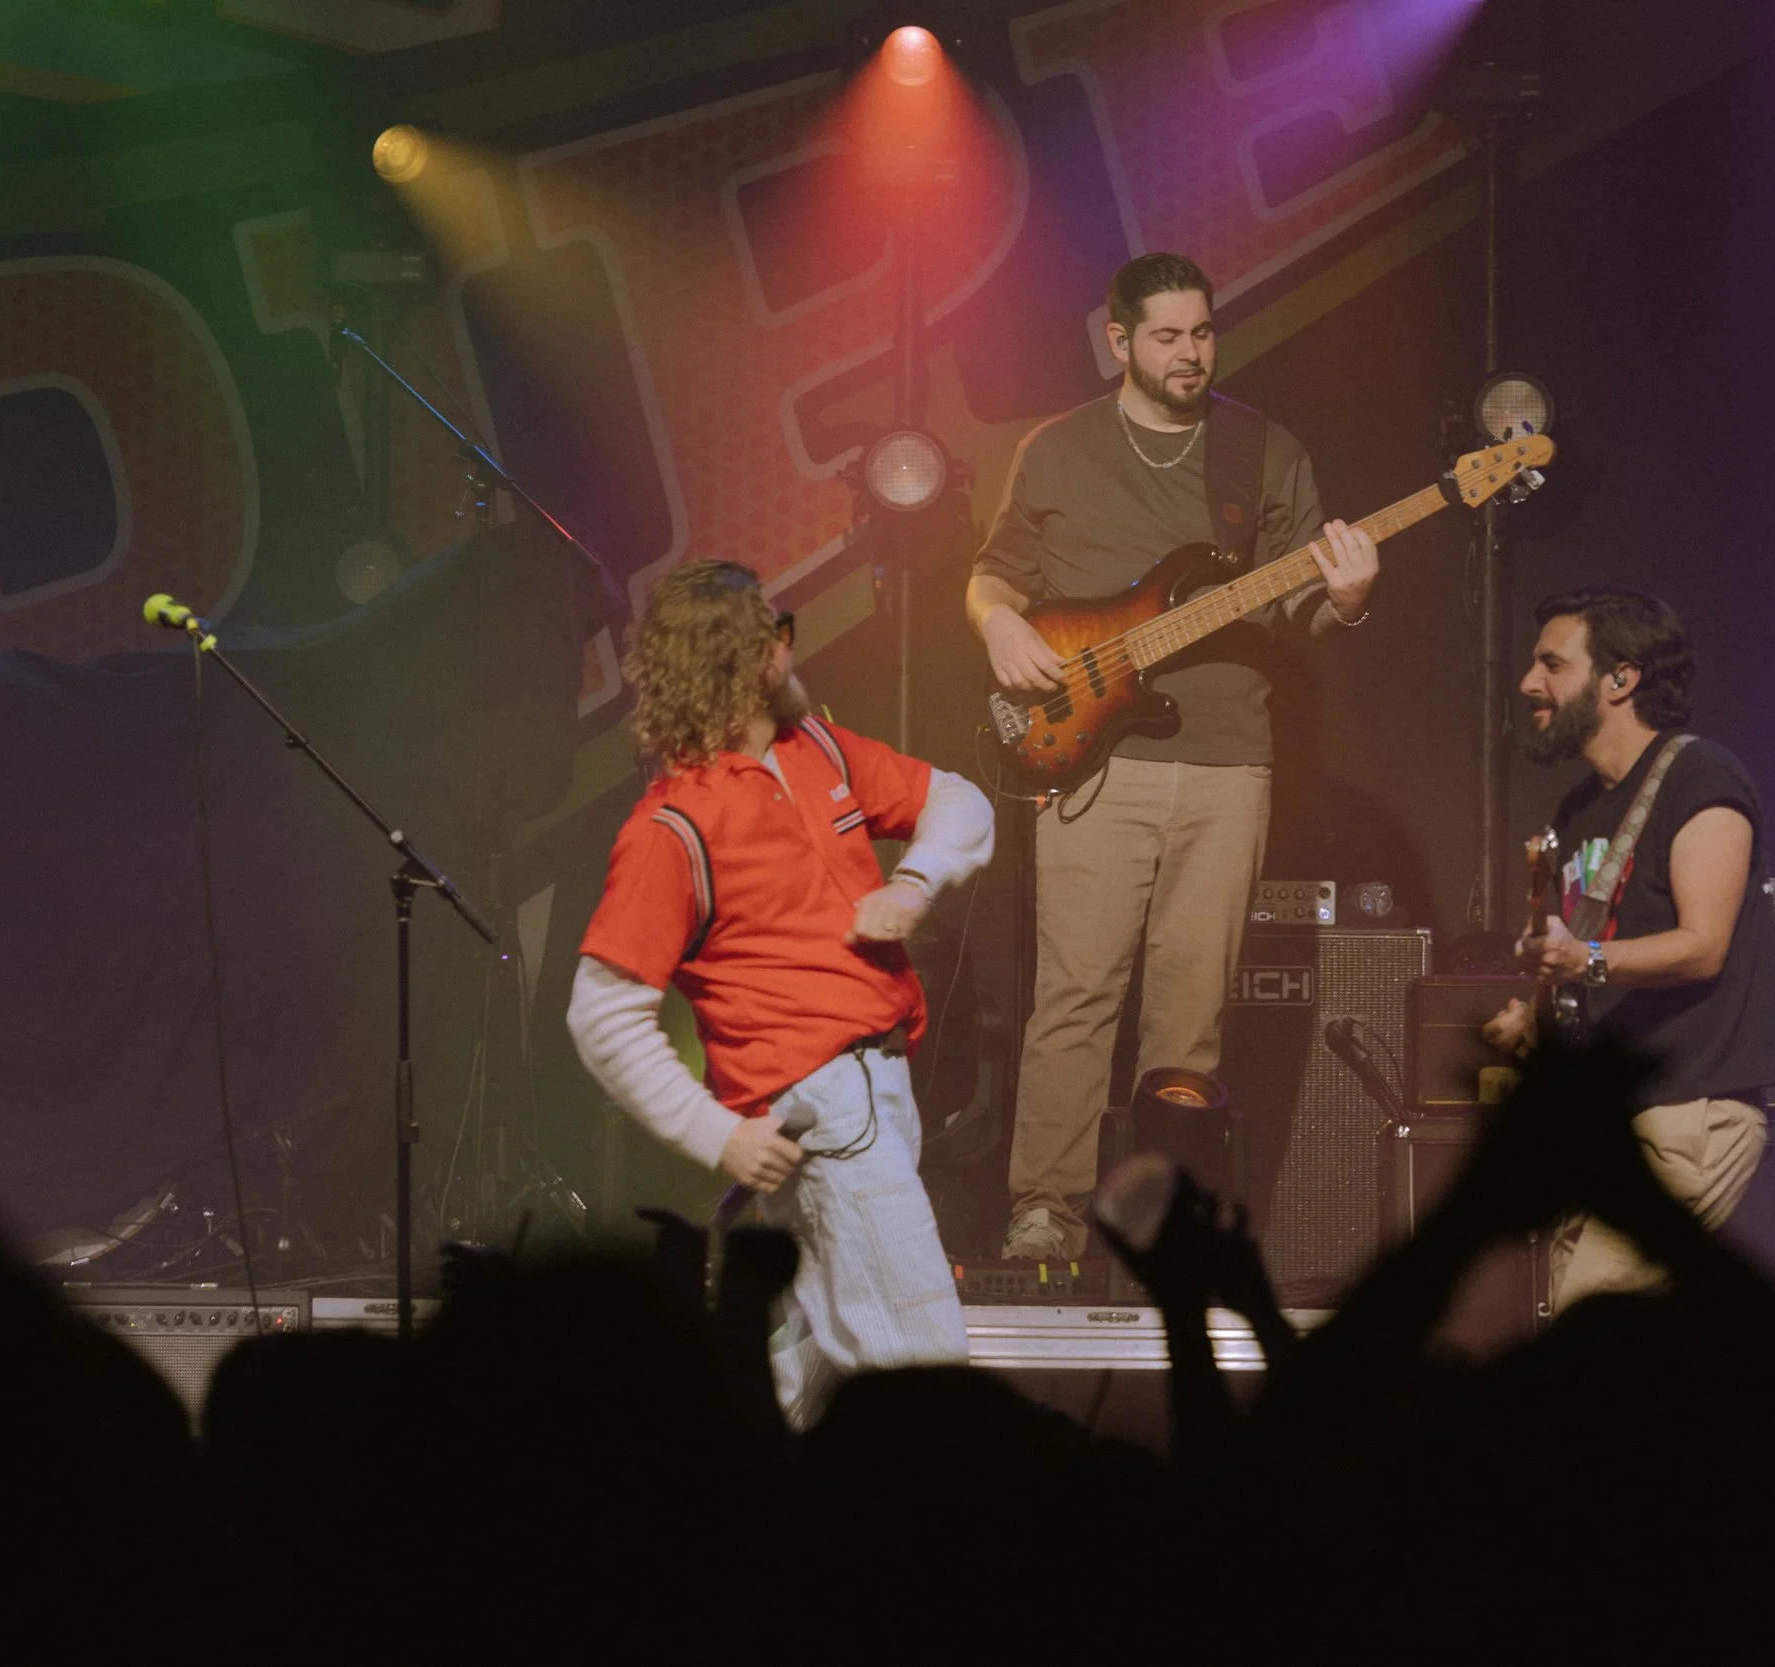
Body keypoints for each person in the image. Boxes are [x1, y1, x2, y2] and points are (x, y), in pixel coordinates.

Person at [965, 250, 1379, 1261]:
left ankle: (1158, 1221)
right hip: (1093, 756)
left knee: (1191, 1011)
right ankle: (1046, 1209)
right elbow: (992, 575)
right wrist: (998, 625)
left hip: (1229, 758)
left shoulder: (1261, 449)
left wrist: (1347, 599)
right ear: (1119, 341)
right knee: (1076, 991)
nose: (1190, 352)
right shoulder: (1056, 449)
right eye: (1166, 336)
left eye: (1202, 332)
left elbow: (1300, 603)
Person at [567, 559, 995, 1424]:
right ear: (748, 660)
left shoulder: (817, 750)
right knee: (925, 1370)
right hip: (825, 1110)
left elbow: (958, 799)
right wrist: (717, 1133)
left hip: (879, 1094)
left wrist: (913, 882)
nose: (792, 646)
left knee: (817, 1367)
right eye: (778, 631)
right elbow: (602, 1012)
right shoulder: (673, 825)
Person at [1489, 587, 1775, 1310]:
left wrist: (1584, 959)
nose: (1529, 682)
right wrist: (1535, 1018)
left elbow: (1704, 946)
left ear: (1620, 679)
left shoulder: (1700, 776)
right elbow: (1588, 954)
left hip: (1686, 1110)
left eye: (1552, 664)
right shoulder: (1580, 807)